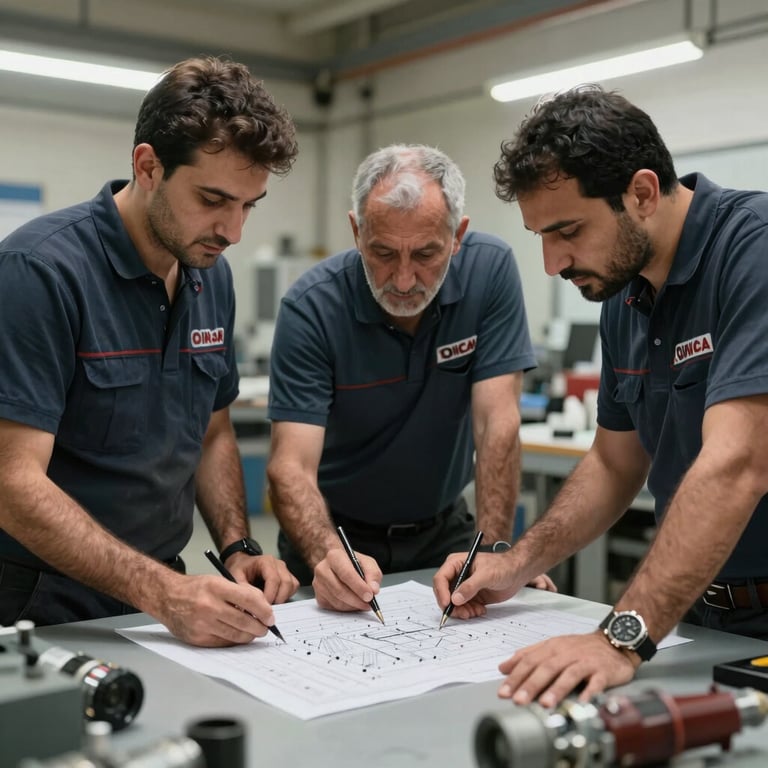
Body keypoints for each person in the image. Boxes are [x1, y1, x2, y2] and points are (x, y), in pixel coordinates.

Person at [434, 83, 768, 707]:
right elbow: (616, 463)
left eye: (566, 231)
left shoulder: (753, 250)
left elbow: (738, 465)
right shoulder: (625, 296)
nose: (550, 262)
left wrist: (620, 638)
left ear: (641, 193)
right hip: (700, 615)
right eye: (539, 235)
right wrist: (516, 560)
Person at [0, 56, 300, 646]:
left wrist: (238, 547)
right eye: (213, 199)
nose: (233, 230)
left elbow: (211, 432)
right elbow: (11, 483)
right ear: (148, 166)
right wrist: (162, 593)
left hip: (159, 595)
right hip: (37, 601)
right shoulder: (39, 272)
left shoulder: (209, 273)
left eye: (248, 205)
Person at [266, 143, 554, 615]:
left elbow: (496, 426)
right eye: (382, 253)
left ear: (457, 235)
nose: (403, 280)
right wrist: (326, 555)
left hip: (445, 533)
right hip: (337, 540)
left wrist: (496, 552)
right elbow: (290, 467)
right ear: (357, 232)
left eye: (425, 254)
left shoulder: (490, 272)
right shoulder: (311, 307)